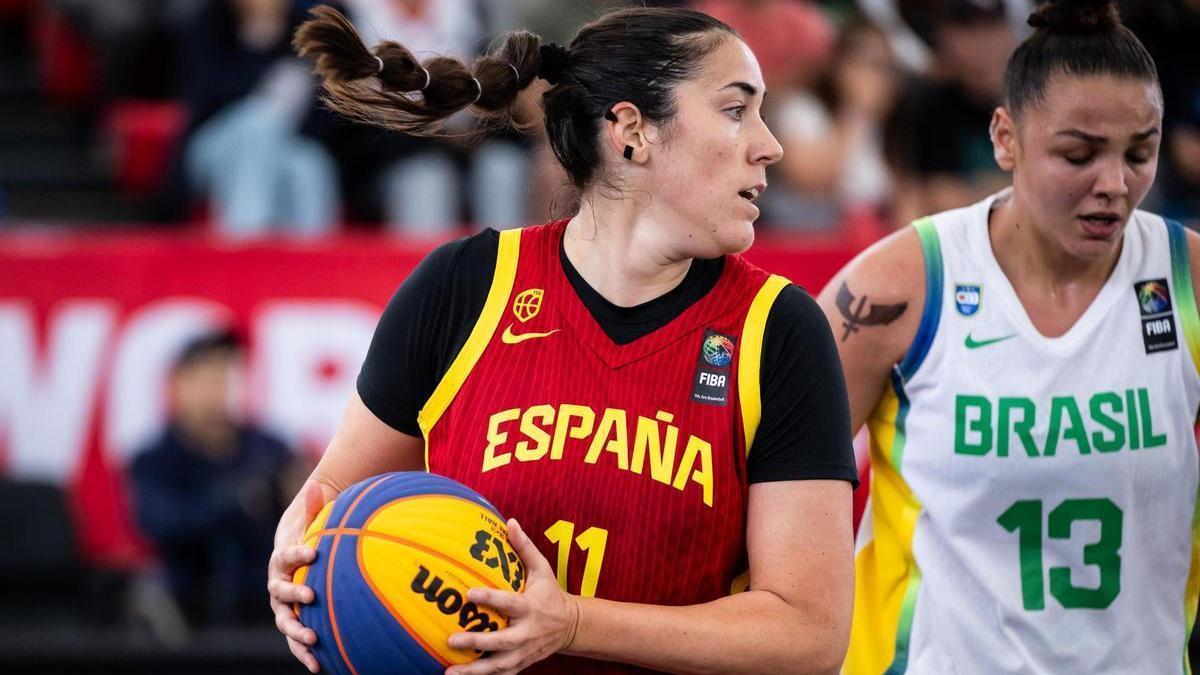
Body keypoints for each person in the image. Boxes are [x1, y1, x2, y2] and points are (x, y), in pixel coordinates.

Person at [268, 5, 858, 674]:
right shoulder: (466, 285)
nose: (769, 144)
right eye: (735, 110)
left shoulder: (778, 329)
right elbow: (331, 500)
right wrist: (295, 560)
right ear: (632, 132)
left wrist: (572, 623)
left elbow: (809, 634)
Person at [817, 1, 1200, 672]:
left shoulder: (1186, 278)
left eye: (1141, 152)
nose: (1114, 184)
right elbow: (765, 489)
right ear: (1005, 138)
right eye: (1078, 154)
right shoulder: (899, 287)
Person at [129, 330, 297, 626]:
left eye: (225, 375)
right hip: (188, 612)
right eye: (206, 377)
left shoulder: (269, 450)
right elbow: (162, 523)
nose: (217, 389)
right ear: (179, 385)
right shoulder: (154, 460)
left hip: (266, 608)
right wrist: (240, 499)